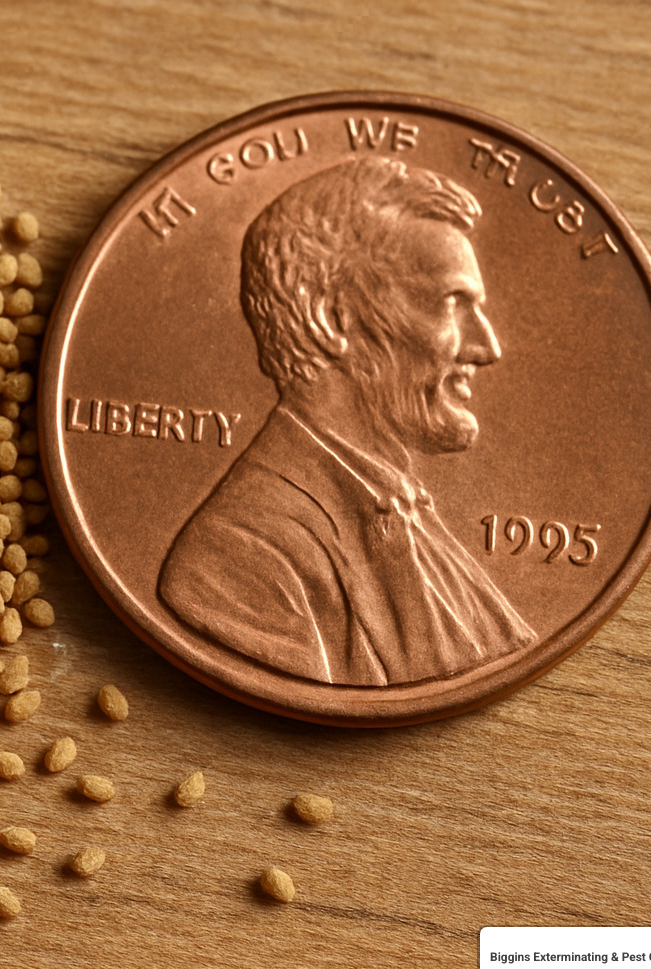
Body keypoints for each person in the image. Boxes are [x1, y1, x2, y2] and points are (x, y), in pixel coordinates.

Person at [158, 156, 535, 687]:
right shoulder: (236, 560)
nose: (487, 347)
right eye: (453, 304)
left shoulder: (406, 506)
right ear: (332, 317)